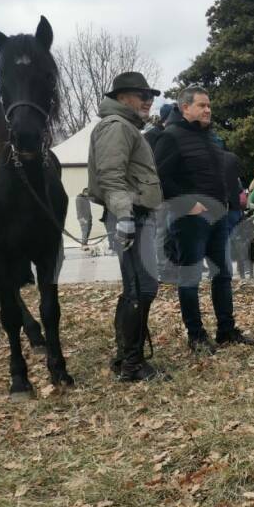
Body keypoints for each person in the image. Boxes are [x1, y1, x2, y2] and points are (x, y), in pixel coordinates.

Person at [154, 85, 254, 354]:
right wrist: (189, 204)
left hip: (218, 217)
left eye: (209, 105)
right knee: (190, 277)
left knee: (222, 274)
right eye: (202, 105)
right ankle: (196, 336)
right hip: (189, 220)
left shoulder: (210, 137)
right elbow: (160, 179)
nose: (208, 109)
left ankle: (226, 330)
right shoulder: (170, 137)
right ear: (185, 107)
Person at [87, 71, 165, 381]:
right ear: (121, 99)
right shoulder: (117, 127)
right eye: (141, 94)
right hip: (129, 215)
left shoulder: (126, 127)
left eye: (151, 95)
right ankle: (131, 365)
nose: (148, 100)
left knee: (140, 287)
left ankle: (125, 356)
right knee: (140, 288)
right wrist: (125, 217)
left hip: (136, 214)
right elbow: (110, 176)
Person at [145, 102, 182, 282]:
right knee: (161, 231)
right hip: (159, 190)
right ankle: (162, 268)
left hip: (168, 189)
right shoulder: (155, 136)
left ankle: (170, 266)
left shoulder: (157, 135)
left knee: (167, 231)